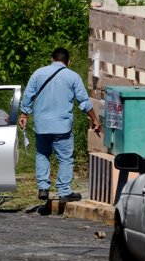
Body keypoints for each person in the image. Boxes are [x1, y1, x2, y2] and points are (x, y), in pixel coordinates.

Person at [19, 47, 102, 214]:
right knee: (65, 158)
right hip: (62, 127)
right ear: (68, 62)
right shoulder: (73, 77)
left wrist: (24, 114)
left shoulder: (38, 73)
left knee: (42, 155)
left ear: (51, 58)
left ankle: (43, 188)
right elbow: (84, 102)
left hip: (41, 126)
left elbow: (28, 95)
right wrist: (94, 119)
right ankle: (64, 191)